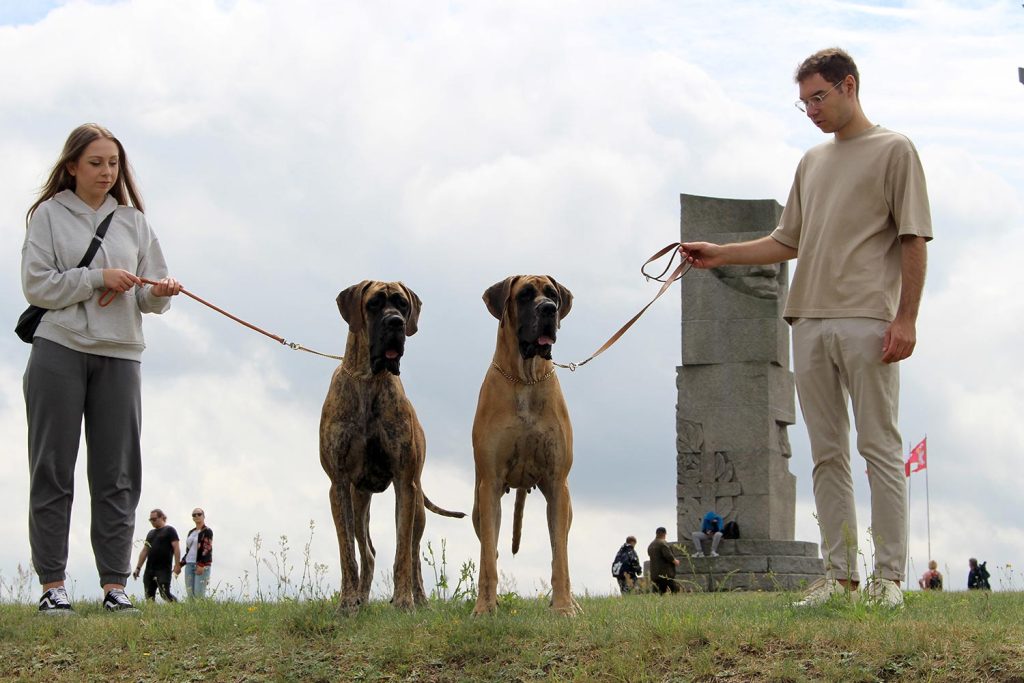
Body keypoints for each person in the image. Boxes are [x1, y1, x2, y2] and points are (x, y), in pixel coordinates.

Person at [679, 48, 931, 610]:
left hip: (869, 317)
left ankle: (888, 579)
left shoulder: (895, 150)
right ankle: (838, 577)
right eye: (804, 103)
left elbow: (913, 237)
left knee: (880, 448)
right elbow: (787, 240)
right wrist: (720, 254)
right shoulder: (812, 162)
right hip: (808, 320)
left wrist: (906, 317)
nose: (812, 110)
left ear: (849, 85)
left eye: (819, 97)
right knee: (826, 454)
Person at [22, 123, 182, 615]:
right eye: (95, 163)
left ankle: (115, 586)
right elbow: (37, 286)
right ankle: (53, 587)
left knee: (117, 475)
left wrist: (156, 293)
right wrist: (98, 277)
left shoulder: (134, 222)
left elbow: (147, 297)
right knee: (53, 469)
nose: (106, 173)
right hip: (58, 349)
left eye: (113, 164)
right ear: (72, 166)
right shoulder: (48, 215)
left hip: (121, 354)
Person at [132, 509, 181, 602]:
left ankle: (179, 608)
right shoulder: (151, 533)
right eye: (150, 520)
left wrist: (177, 565)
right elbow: (144, 551)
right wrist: (138, 568)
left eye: (154, 519)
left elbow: (176, 548)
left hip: (163, 569)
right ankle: (151, 614)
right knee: (149, 596)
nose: (152, 522)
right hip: (149, 569)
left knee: (164, 593)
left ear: (162, 517)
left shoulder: (170, 530)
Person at [179, 508, 214, 599]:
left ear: (203, 516)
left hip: (201, 565)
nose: (196, 516)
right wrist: (180, 564)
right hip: (189, 564)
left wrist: (201, 564)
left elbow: (207, 548)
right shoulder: (191, 532)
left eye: (199, 514)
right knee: (190, 595)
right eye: (194, 515)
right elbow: (189, 551)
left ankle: (202, 613)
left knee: (199, 594)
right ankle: (192, 613)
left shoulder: (207, 531)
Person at [647, 527, 680, 594]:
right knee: (675, 590)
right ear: (664, 534)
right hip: (665, 574)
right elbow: (668, 555)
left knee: (659, 592)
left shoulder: (651, 545)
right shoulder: (663, 543)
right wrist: (675, 561)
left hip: (654, 574)